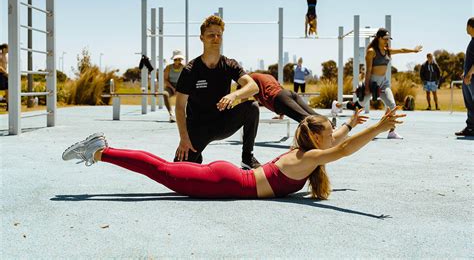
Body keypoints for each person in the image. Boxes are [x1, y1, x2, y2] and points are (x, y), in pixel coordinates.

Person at [61, 108, 402, 199]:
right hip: (224, 182)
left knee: (165, 170)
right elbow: (340, 149)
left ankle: (102, 151)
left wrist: (353, 125)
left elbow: (336, 140)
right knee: (163, 171)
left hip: (228, 180)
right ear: (315, 136)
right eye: (328, 129)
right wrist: (377, 127)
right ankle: (102, 151)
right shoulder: (307, 158)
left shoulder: (306, 149)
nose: (332, 133)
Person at [175, 15, 261, 169]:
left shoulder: (229, 64)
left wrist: (233, 94)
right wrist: (184, 138)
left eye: (219, 35)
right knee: (180, 172)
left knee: (252, 107)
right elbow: (180, 107)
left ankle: (247, 158)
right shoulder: (190, 70)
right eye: (210, 35)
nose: (215, 38)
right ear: (201, 38)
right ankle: (196, 155)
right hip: (198, 126)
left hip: (223, 122)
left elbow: (253, 86)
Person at [361, 28, 422, 139]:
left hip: (383, 82)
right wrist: (366, 87)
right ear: (378, 38)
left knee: (392, 106)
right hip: (372, 82)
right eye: (385, 39)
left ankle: (391, 131)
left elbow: (402, 50)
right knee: (358, 105)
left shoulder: (387, 51)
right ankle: (337, 105)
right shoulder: (371, 51)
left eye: (388, 39)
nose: (387, 41)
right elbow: (368, 70)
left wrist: (414, 50)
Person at [247, 72, 320, 122]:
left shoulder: (249, 79)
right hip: (289, 93)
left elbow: (244, 99)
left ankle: (327, 136)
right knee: (314, 115)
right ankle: (330, 126)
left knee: (306, 119)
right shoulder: (268, 76)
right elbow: (280, 89)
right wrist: (281, 115)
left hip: (278, 99)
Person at [455, 17, 474, 137]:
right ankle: (471, 127)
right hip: (468, 77)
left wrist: (470, 73)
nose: (466, 28)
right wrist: (465, 72)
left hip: (472, 78)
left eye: (467, 26)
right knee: (470, 104)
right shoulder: (472, 41)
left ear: (471, 27)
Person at [162, 50, 185, 122]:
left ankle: (186, 114)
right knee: (165, 94)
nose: (178, 61)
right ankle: (171, 114)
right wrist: (173, 88)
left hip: (181, 86)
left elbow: (186, 80)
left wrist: (179, 89)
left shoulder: (184, 67)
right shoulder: (168, 67)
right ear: (174, 60)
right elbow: (165, 80)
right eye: (176, 59)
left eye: (179, 59)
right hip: (170, 86)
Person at [0, 44, 8, 110]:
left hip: (4, 75)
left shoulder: (6, 56)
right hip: (0, 74)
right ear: (4, 49)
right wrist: (6, 72)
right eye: (8, 48)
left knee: (8, 90)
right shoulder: (0, 56)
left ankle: (8, 106)